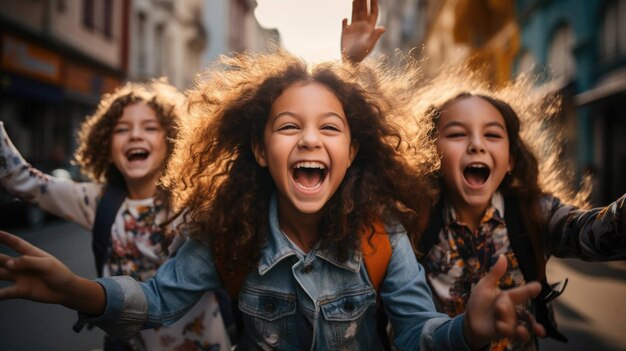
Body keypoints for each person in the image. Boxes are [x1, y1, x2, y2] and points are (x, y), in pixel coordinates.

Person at [0, 50, 545, 351]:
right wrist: (77, 291)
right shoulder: (226, 235)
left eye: (329, 128)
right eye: (289, 127)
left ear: (352, 152)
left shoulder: (382, 237)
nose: (310, 140)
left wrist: (465, 332)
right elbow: (157, 302)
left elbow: (415, 333)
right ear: (261, 149)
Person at [341, 3, 626, 350]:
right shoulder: (413, 216)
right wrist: (352, 68)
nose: (476, 144)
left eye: (492, 135)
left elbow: (600, 234)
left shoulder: (532, 212)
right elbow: (356, 158)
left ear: (509, 160)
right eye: (458, 134)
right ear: (432, 153)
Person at [0, 80, 230, 351]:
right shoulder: (96, 202)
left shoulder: (195, 201)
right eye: (122, 129)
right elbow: (19, 179)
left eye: (150, 127)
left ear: (173, 138)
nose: (134, 135)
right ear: (106, 144)